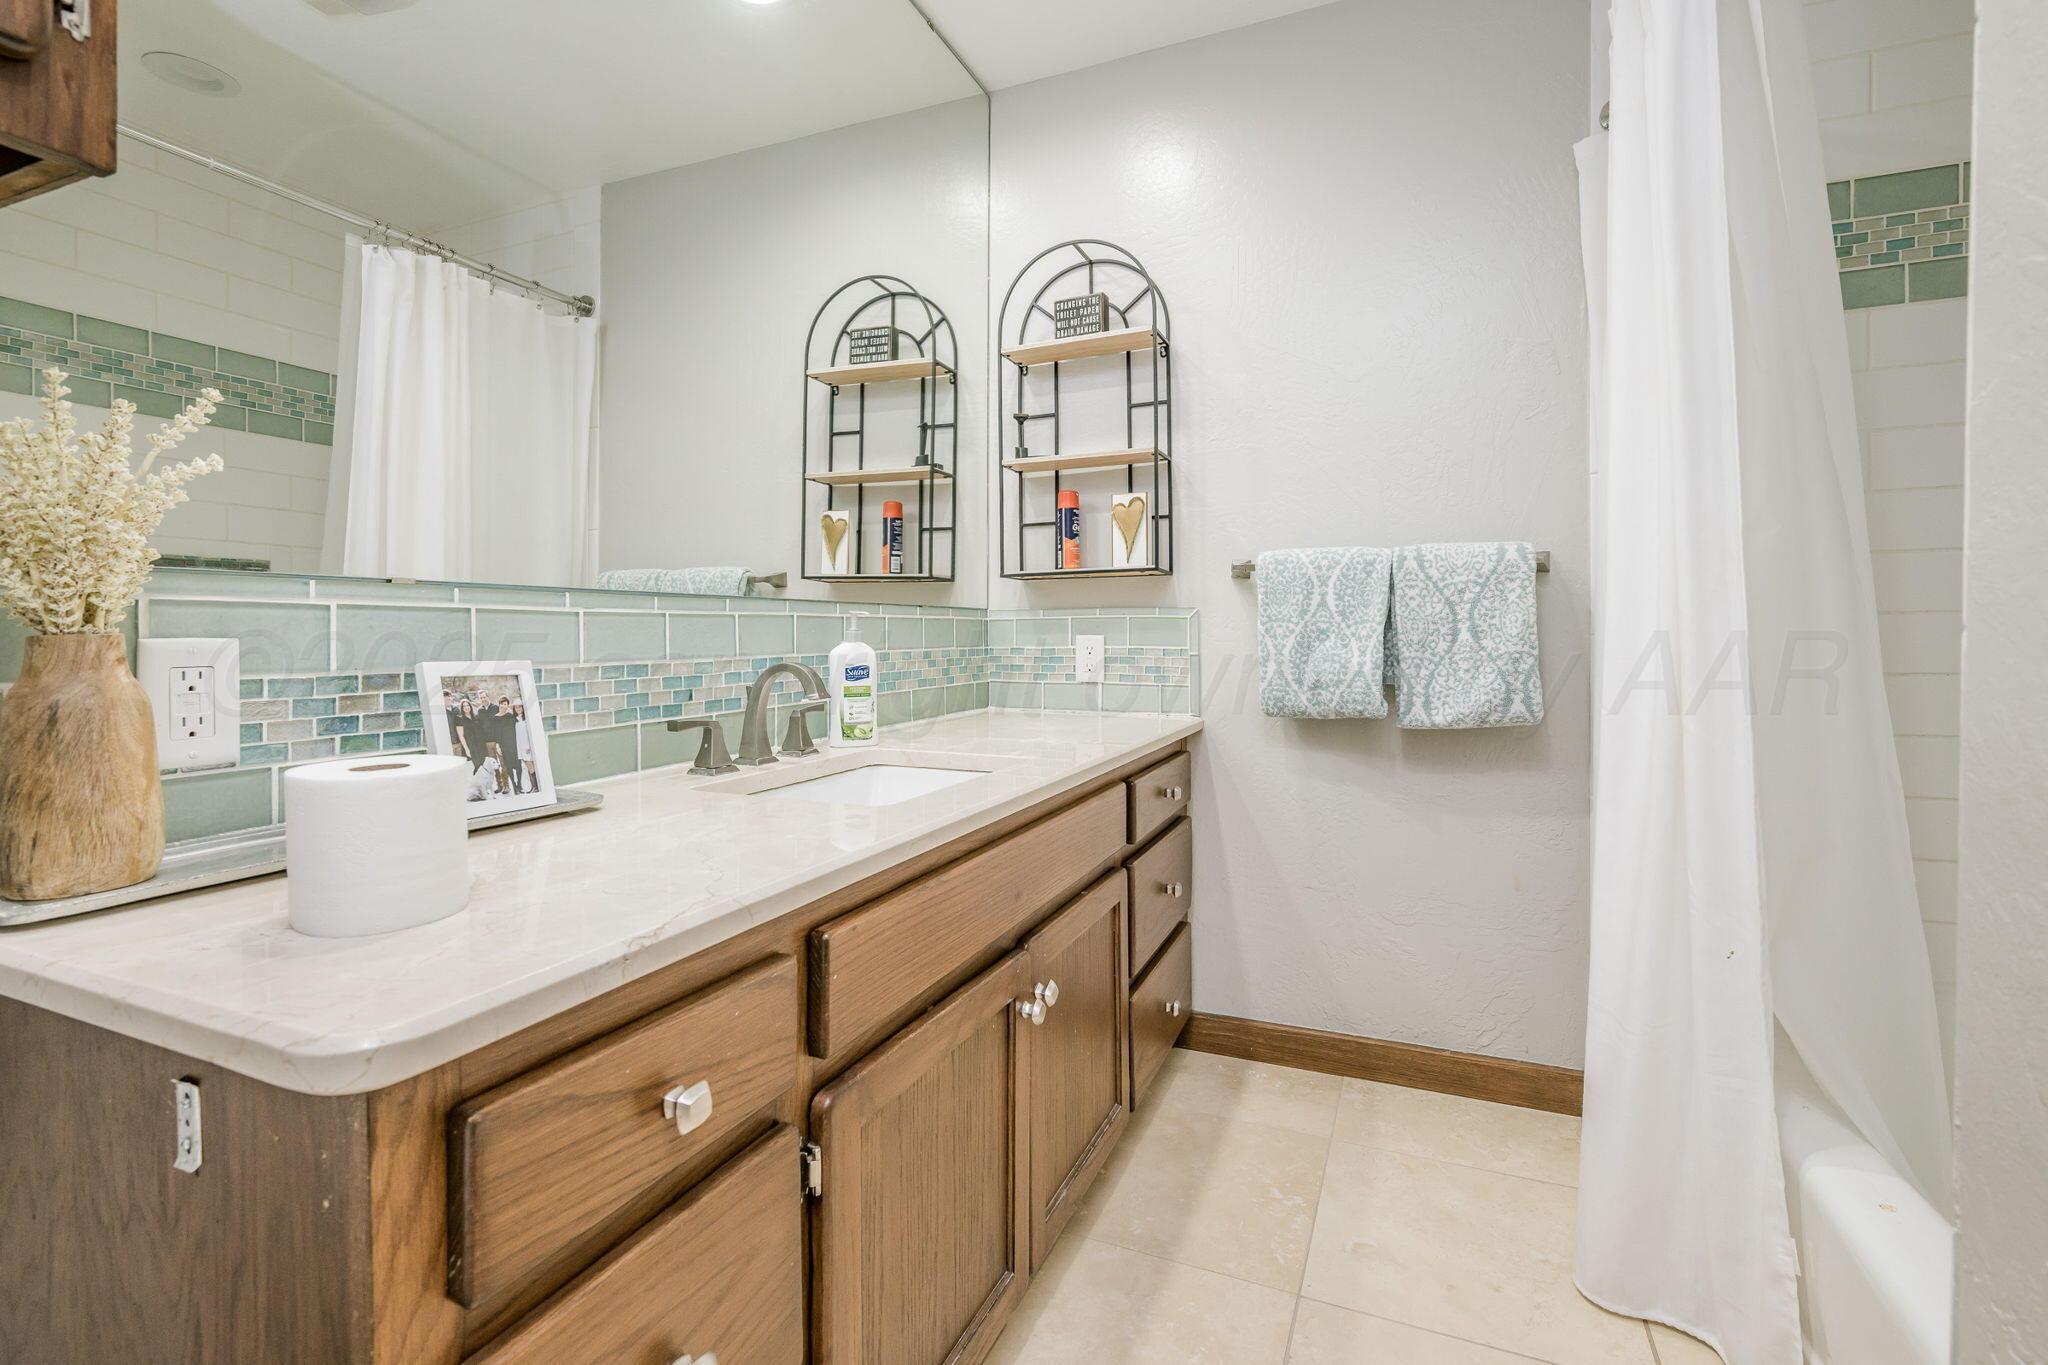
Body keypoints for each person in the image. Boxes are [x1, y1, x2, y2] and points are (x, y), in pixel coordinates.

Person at [513, 702, 538, 796]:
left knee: (531, 767)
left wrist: (530, 746)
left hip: (527, 747)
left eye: (520, 707)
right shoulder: (516, 720)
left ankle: (535, 787)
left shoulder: (526, 719)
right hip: (521, 747)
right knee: (528, 767)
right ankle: (533, 786)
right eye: (516, 707)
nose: (518, 709)